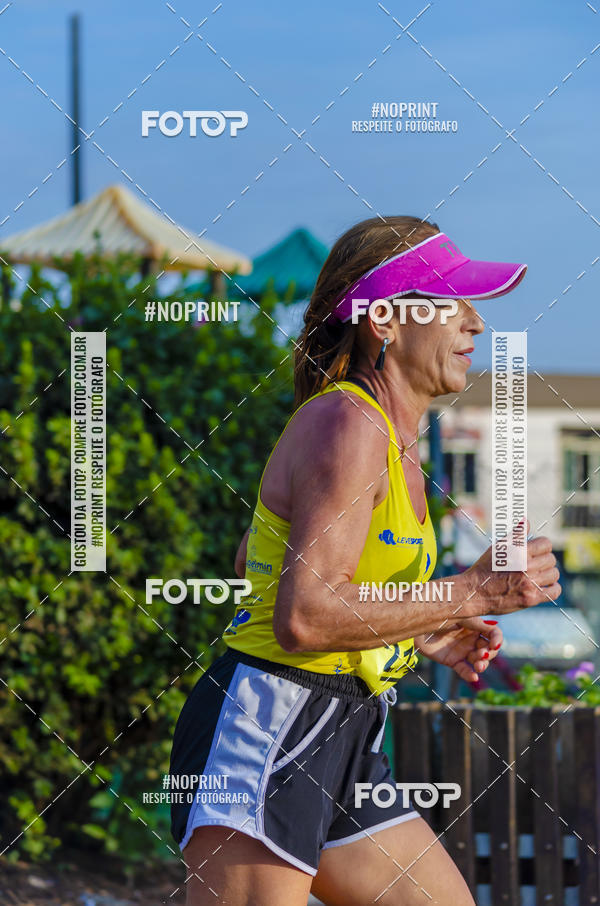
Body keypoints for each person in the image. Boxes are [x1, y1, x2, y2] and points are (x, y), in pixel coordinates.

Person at [169, 216, 560, 906]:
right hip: (271, 721)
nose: (474, 323)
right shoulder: (347, 424)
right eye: (451, 302)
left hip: (345, 730)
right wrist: (468, 595)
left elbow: (250, 567)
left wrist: (415, 628)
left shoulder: (392, 438)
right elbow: (302, 617)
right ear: (386, 320)